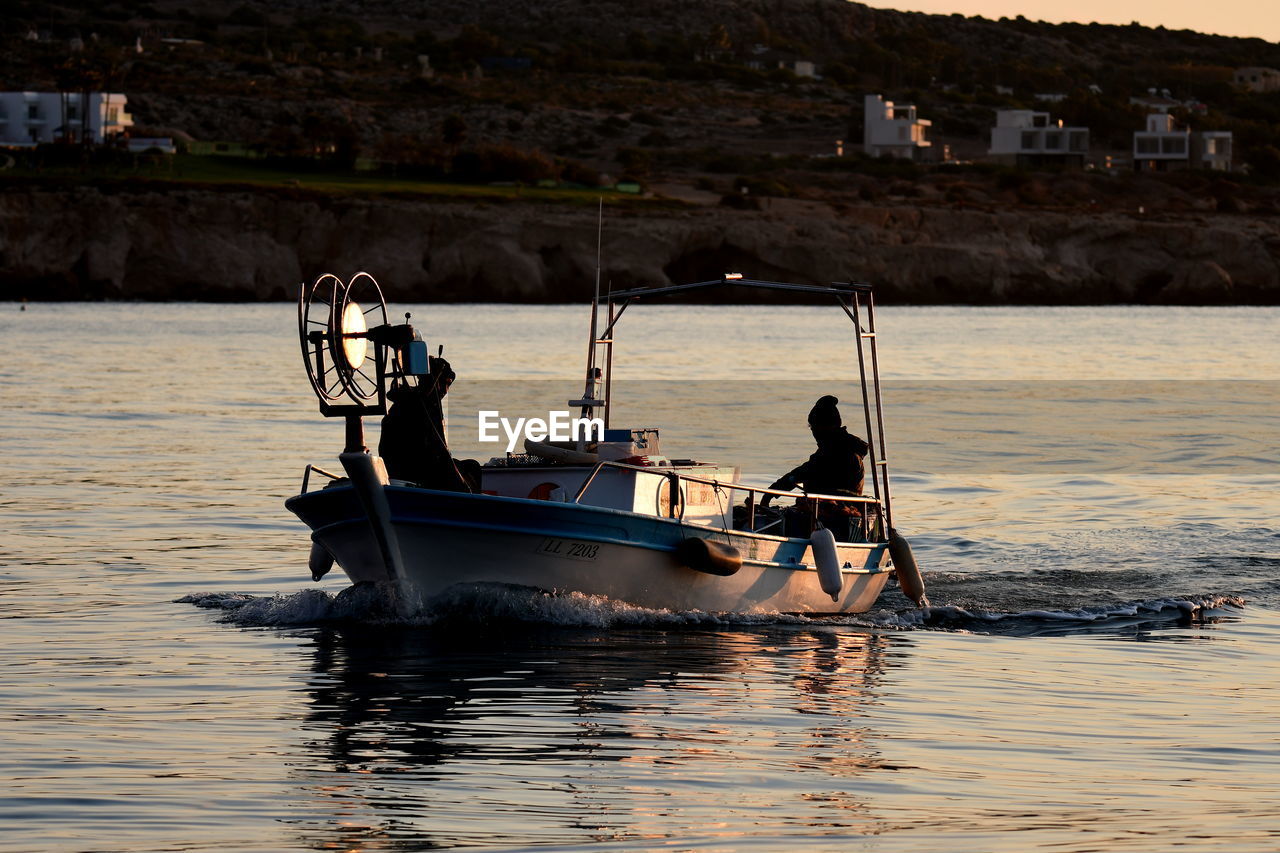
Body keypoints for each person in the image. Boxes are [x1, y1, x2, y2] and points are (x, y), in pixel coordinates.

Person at [761, 396, 869, 537]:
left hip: (836, 519)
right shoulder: (835, 448)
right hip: (834, 514)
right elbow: (802, 472)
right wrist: (773, 492)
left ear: (828, 426)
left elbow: (803, 472)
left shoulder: (838, 452)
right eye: (811, 427)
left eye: (814, 427)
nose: (813, 432)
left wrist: (769, 495)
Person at [378, 355, 478, 492]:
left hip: (423, 467)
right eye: (444, 383)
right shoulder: (419, 404)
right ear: (434, 379)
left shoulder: (417, 400)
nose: (446, 390)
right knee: (467, 472)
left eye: (449, 384)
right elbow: (440, 453)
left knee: (471, 466)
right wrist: (464, 487)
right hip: (413, 472)